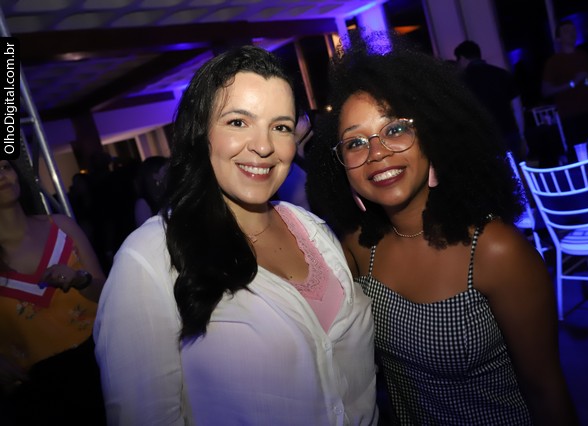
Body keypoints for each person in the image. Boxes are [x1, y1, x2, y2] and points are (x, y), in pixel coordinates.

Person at [93, 45, 378, 425]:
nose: (263, 146)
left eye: (280, 127)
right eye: (238, 122)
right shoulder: (149, 259)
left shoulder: (315, 232)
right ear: (200, 133)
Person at [305, 35, 578, 425]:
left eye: (395, 129)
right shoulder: (358, 247)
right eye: (355, 142)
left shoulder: (495, 251)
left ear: (433, 137)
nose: (377, 152)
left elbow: (546, 392)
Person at [0, 159, 107, 425]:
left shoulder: (61, 227)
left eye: (5, 166)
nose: (2, 175)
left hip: (100, 362)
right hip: (39, 393)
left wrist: (80, 280)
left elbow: (107, 294)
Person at [541, 19, 588, 159]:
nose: (571, 33)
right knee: (581, 156)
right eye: (566, 31)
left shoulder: (583, 55)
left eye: (573, 29)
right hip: (571, 116)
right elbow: (546, 91)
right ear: (558, 39)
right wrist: (572, 83)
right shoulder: (553, 62)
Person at [454, 40, 527, 162]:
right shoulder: (502, 74)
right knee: (515, 168)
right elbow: (517, 107)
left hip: (483, 138)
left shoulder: (462, 82)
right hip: (509, 132)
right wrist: (521, 135)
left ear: (462, 58)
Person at [133, 155, 169, 227]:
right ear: (155, 175)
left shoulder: (166, 195)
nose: (168, 173)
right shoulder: (142, 204)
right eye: (165, 170)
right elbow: (146, 229)